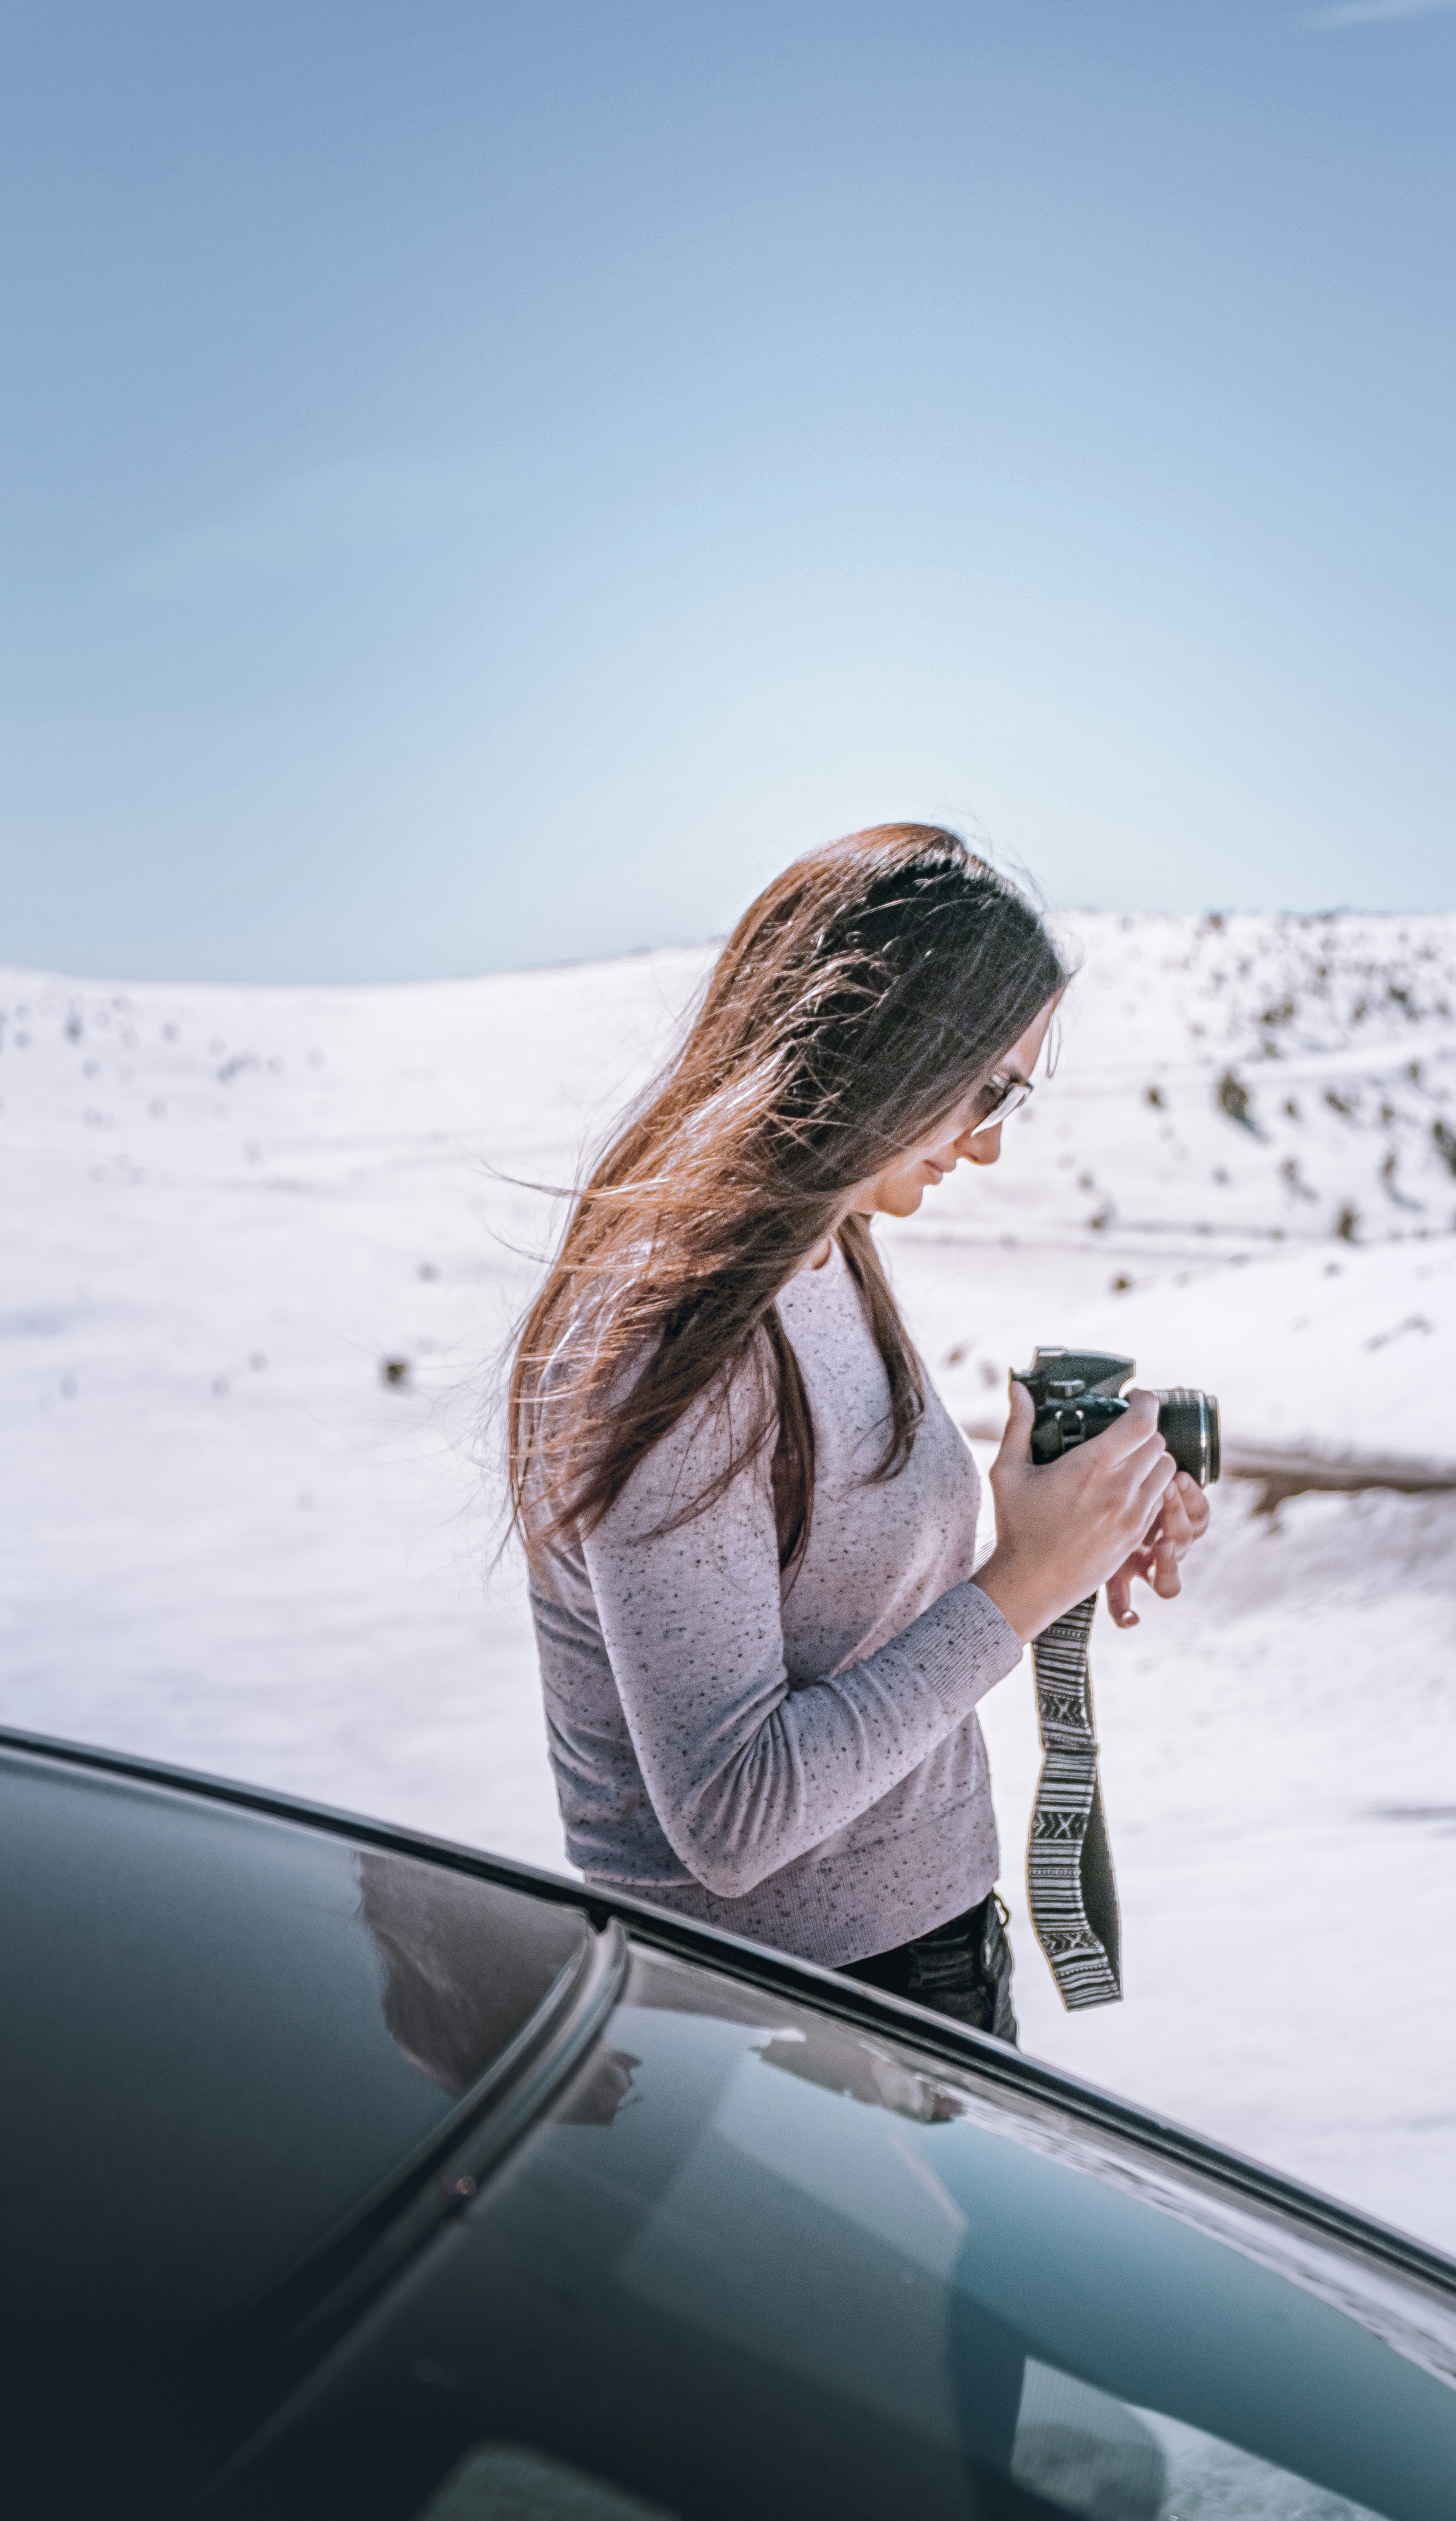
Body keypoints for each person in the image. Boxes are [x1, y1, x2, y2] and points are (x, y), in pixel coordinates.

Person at [509, 825, 1208, 2042]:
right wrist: (1026, 1583)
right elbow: (734, 1818)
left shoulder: (824, 1253)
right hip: (780, 2032)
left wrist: (1073, 1531)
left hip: (911, 1969)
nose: (987, 1142)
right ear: (885, 1049)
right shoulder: (683, 1338)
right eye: (990, 1090)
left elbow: (849, 1613)